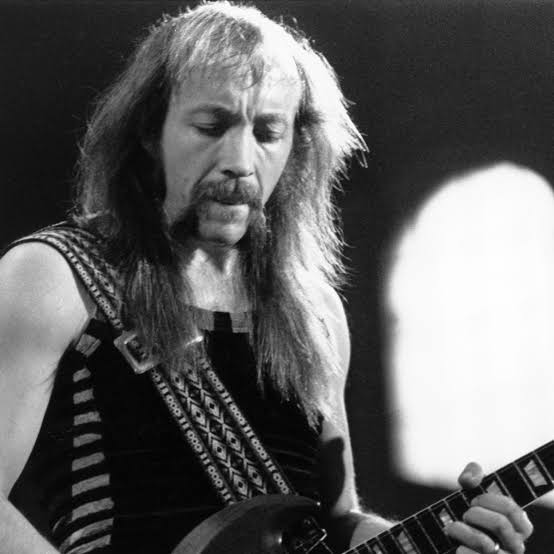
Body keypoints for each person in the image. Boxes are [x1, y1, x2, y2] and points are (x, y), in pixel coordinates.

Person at [0, 2, 533, 553]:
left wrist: (444, 539)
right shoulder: (54, 277)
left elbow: (335, 521)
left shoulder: (315, 313)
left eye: (268, 132)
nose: (240, 159)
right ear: (147, 132)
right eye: (211, 126)